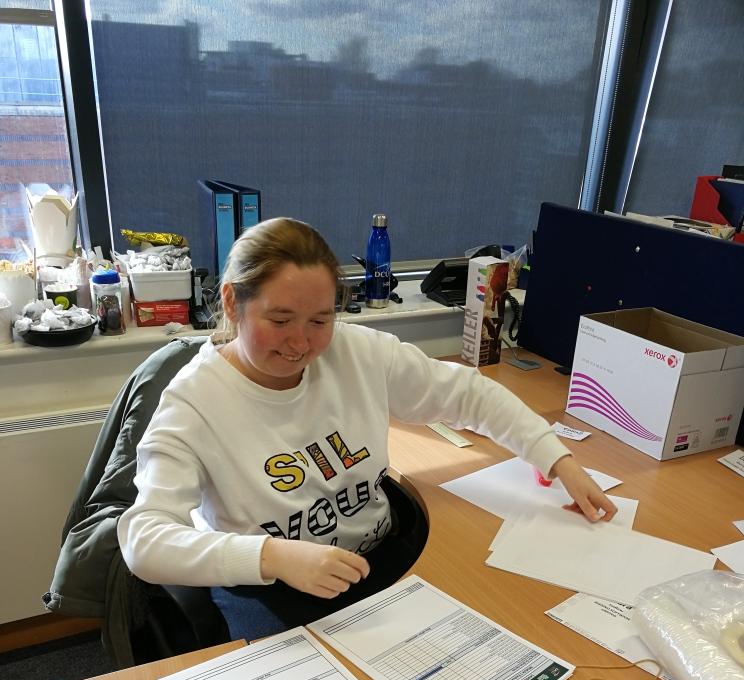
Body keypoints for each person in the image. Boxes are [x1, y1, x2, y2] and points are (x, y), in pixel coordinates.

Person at [118, 218, 616, 640]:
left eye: (320, 319)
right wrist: (271, 557)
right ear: (231, 303)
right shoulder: (194, 403)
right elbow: (145, 540)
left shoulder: (355, 352)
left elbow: (468, 393)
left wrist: (556, 458)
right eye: (281, 319)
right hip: (275, 587)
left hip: (377, 561)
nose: (301, 343)